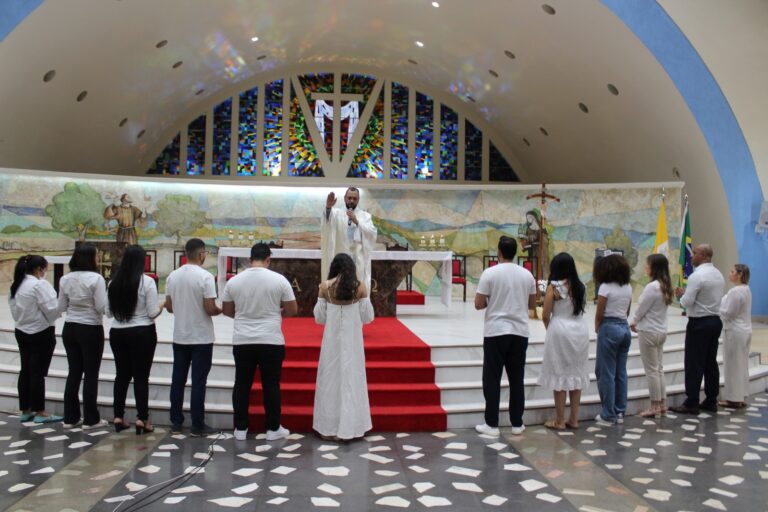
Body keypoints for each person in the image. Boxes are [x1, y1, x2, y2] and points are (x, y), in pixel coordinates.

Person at [222, 243, 297, 441]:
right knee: (271, 384)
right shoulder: (279, 280)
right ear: (268, 259)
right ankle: (273, 428)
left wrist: (246, 315)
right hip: (270, 339)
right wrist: (277, 312)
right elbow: (293, 310)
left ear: (249, 259)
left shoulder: (234, 281)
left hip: (243, 340)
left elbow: (228, 311)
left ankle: (240, 428)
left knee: (242, 384)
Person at [474, 236, 536, 436]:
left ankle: (491, 424)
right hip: (519, 332)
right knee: (516, 378)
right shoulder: (527, 275)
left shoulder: (489, 273)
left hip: (496, 331)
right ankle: (517, 423)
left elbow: (478, 304)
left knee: (492, 378)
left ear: (499, 252)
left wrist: (491, 302)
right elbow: (532, 304)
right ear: (515, 253)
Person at [313, 253, 375, 441]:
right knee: (351, 380)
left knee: (330, 380)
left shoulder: (325, 287)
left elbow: (319, 318)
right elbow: (368, 317)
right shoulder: (360, 288)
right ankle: (351, 429)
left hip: (331, 343)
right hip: (353, 343)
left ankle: (328, 429)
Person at [165, 238, 222, 436]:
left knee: (177, 380)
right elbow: (209, 308)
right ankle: (197, 424)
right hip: (201, 337)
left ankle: (176, 421)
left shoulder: (173, 276)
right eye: (205, 253)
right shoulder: (205, 277)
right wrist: (220, 310)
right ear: (201, 254)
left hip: (180, 335)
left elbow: (170, 307)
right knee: (198, 381)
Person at [107, 245, 165, 434]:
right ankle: (142, 419)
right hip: (142, 332)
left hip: (118, 332)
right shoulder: (146, 282)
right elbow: (152, 312)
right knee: (141, 377)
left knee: (121, 376)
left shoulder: (113, 282)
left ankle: (118, 416)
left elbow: (108, 312)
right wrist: (163, 304)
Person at [670, 244, 725, 414]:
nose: (691, 256)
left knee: (694, 362)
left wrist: (681, 295)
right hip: (715, 321)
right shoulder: (718, 274)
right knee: (710, 362)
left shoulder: (697, 276)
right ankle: (711, 399)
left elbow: (686, 303)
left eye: (694, 253)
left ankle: (692, 401)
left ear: (703, 256)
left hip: (699, 323)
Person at [537, 253, 589, 430]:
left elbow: (545, 314)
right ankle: (574, 419)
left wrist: (551, 329)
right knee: (575, 375)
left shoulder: (554, 287)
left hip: (560, 329)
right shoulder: (582, 287)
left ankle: (559, 421)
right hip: (580, 331)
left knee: (559, 374)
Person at [8, 255, 63, 424]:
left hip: (22, 331)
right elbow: (52, 308)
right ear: (39, 269)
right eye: (45, 269)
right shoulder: (39, 285)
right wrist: (61, 309)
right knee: (38, 373)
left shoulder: (17, 285)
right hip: (41, 332)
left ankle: (26, 409)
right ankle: (40, 411)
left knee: (25, 369)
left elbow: (15, 312)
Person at [58, 244, 107, 429]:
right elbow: (102, 306)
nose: (97, 259)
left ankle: (70, 417)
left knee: (74, 372)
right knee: (91, 374)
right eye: (96, 256)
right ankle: (91, 419)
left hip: (69, 327)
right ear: (90, 258)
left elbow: (61, 306)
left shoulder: (65, 279)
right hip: (90, 328)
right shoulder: (96, 279)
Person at [630, 254, 673, 418]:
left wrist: (633, 321)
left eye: (647, 264)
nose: (645, 267)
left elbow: (642, 308)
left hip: (648, 331)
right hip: (661, 330)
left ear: (653, 267)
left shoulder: (652, 287)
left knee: (652, 371)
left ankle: (655, 405)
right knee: (659, 369)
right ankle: (662, 403)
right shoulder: (665, 285)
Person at [593, 253, 632, 426]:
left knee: (605, 373)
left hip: (609, 328)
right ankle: (619, 411)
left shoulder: (605, 287)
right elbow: (628, 311)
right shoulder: (628, 287)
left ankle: (608, 415)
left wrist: (597, 327)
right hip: (624, 327)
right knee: (620, 372)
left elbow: (600, 312)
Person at [321, 187, 377, 296]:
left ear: (358, 199)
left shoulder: (365, 216)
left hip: (358, 260)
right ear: (345, 198)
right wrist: (328, 207)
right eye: (349, 198)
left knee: (357, 287)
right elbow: (327, 222)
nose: (352, 200)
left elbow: (372, 233)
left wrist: (357, 222)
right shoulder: (336, 213)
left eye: (354, 198)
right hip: (340, 258)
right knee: (338, 287)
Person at [718, 264, 752, 409]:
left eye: (732, 271)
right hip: (744, 330)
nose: (730, 273)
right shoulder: (746, 289)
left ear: (739, 274)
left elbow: (729, 313)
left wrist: (717, 309)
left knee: (733, 365)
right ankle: (741, 395)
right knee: (742, 364)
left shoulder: (735, 292)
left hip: (734, 331)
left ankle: (733, 398)